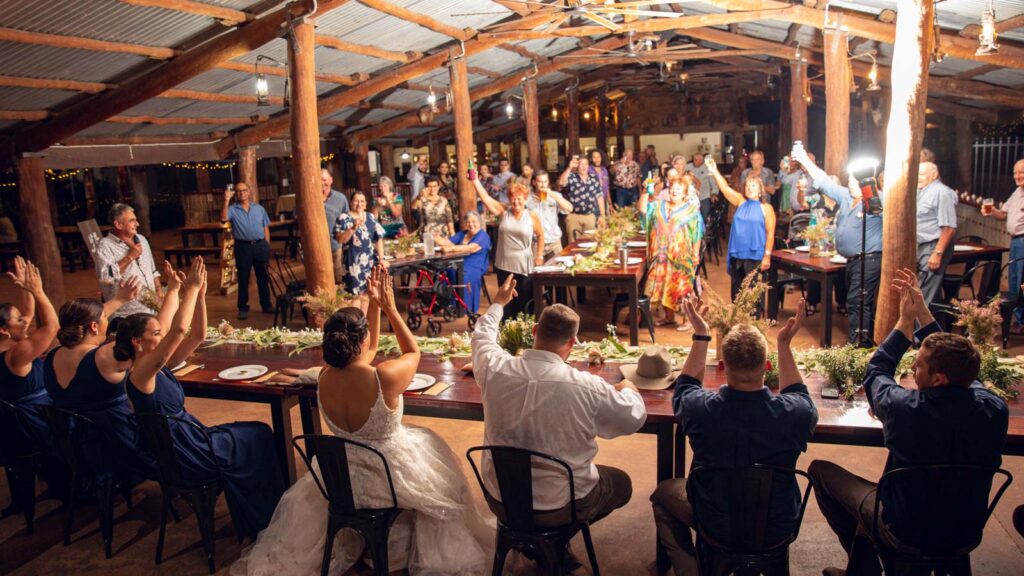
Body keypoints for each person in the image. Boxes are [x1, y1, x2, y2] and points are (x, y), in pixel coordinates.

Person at [234, 268, 490, 575]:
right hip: (387, 474)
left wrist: (373, 303)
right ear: (363, 337)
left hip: (342, 478)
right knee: (442, 478)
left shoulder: (326, 377)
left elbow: (366, 351)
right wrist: (391, 308)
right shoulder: (384, 378)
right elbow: (413, 351)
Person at [811, 269, 1008, 576]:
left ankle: (865, 568)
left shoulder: (906, 408)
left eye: (918, 367)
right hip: (963, 529)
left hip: (906, 528)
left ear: (939, 379)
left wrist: (904, 322)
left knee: (821, 473)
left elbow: (877, 371)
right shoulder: (993, 409)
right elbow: (965, 368)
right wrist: (923, 312)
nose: (913, 372)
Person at [116, 258, 284, 540]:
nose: (163, 335)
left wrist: (201, 296)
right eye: (156, 334)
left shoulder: (159, 365)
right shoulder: (141, 373)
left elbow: (196, 335)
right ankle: (262, 517)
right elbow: (178, 330)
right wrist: (190, 289)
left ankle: (263, 511)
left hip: (189, 438)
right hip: (188, 451)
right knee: (259, 434)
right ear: (137, 342)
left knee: (257, 433)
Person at [652, 298, 816, 576]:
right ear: (767, 366)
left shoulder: (700, 410)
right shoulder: (795, 415)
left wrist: (701, 335)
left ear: (722, 367)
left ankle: (693, 568)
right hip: (777, 525)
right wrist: (784, 344)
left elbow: (685, 387)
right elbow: (798, 394)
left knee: (663, 494)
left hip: (715, 523)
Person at [472, 276, 645, 529]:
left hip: (500, 500)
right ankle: (555, 541)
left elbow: (482, 337)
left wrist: (498, 302)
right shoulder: (585, 386)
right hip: (559, 506)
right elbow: (633, 418)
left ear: (534, 331)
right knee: (622, 483)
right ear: (572, 344)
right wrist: (628, 389)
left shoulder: (494, 367)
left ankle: (543, 546)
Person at [43, 279, 156, 484]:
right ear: (94, 326)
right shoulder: (105, 356)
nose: (108, 320)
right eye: (105, 317)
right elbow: (154, 343)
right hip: (115, 446)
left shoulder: (52, 351)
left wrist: (120, 299)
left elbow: (84, 319)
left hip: (71, 450)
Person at [793, 147, 882, 344]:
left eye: (852, 179)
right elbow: (824, 181)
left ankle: (859, 345)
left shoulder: (878, 201)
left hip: (869, 259)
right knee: (854, 302)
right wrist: (806, 161)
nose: (849, 182)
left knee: (859, 303)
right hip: (851, 261)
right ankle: (857, 341)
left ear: (865, 182)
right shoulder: (846, 197)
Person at [0, 257, 61, 514]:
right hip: (31, 424)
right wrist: (38, 291)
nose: (25, 322)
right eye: (18, 321)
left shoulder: (8, 346)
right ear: (4, 330)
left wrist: (26, 289)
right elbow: (51, 326)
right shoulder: (17, 355)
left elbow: (28, 313)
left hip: (10, 424)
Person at [707, 157, 776, 305]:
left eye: (754, 186)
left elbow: (770, 234)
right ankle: (738, 325)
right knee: (736, 294)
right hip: (737, 254)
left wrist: (767, 257)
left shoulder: (766, 208)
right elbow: (725, 188)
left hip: (755, 256)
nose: (750, 188)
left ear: (760, 189)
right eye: (748, 186)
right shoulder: (740, 201)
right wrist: (714, 171)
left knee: (753, 297)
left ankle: (754, 326)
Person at [639, 175, 704, 331]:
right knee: (664, 286)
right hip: (660, 255)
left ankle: (690, 320)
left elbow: (697, 233)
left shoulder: (692, 211)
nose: (675, 192)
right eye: (673, 188)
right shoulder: (658, 205)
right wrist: (645, 190)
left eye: (679, 190)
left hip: (681, 257)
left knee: (682, 288)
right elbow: (642, 209)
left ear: (685, 193)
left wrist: (695, 254)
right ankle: (669, 317)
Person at [474, 180, 543, 319]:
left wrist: (539, 256)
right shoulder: (503, 211)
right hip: (503, 265)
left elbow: (540, 234)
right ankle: (506, 334)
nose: (516, 202)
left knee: (524, 303)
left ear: (525, 199)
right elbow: (486, 198)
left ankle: (525, 334)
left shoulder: (531, 216)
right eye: (513, 198)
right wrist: (475, 180)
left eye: (519, 198)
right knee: (505, 303)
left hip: (524, 265)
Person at [95, 203, 162, 324]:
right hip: (125, 316)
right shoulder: (105, 246)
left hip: (152, 309)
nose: (137, 224)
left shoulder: (141, 239)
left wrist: (158, 289)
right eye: (132, 221)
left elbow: (152, 270)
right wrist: (130, 257)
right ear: (118, 224)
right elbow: (105, 277)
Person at [981, 158, 1024, 330]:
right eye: (1015, 172)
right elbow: (1002, 214)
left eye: (1021, 172)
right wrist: (991, 211)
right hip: (1015, 241)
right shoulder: (1017, 192)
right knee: (1014, 280)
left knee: (1021, 281)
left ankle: (1021, 322)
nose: (1017, 176)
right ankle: (1018, 319)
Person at [221, 182, 272, 321]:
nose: (241, 193)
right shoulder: (232, 209)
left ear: (249, 192)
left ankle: (266, 305)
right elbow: (224, 218)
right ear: (235, 194)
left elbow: (265, 227)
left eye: (244, 190)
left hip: (260, 245)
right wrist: (226, 200)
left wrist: (267, 244)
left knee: (263, 277)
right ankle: (242, 308)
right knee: (243, 278)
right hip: (243, 247)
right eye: (238, 191)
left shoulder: (259, 208)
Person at [915, 161, 958, 305]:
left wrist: (937, 253)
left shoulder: (942, 192)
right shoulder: (921, 191)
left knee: (923, 293)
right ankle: (935, 326)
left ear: (934, 174)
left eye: (921, 174)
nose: (918, 177)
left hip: (933, 246)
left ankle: (918, 327)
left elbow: (949, 227)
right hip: (921, 246)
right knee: (930, 294)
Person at [434, 211, 491, 314]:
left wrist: (451, 248)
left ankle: (463, 307)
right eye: (468, 222)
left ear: (479, 222)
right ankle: (448, 305)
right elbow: (448, 242)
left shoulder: (483, 236)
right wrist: (435, 237)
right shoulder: (463, 233)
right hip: (459, 262)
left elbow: (470, 248)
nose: (471, 224)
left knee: (462, 275)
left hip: (475, 264)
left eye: (474, 221)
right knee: (446, 272)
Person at [335, 192, 387, 301]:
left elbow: (379, 238)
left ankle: (365, 318)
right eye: (356, 201)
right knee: (356, 296)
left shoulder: (370, 217)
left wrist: (382, 259)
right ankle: (359, 318)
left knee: (369, 294)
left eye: (362, 201)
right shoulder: (344, 218)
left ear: (366, 204)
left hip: (369, 262)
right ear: (350, 202)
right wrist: (353, 228)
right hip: (353, 263)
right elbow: (340, 240)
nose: (359, 204)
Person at [558, 155, 607, 243]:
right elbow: (561, 183)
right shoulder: (572, 177)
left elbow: (599, 197)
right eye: (581, 164)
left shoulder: (594, 178)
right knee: (573, 244)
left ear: (588, 166)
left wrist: (602, 215)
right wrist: (569, 168)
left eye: (586, 164)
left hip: (589, 216)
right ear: (577, 166)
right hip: (574, 216)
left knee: (591, 243)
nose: (584, 167)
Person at [526, 170, 573, 259]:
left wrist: (551, 194)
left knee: (558, 270)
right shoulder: (528, 199)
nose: (543, 185)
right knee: (536, 271)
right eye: (540, 181)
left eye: (545, 181)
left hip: (554, 242)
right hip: (536, 242)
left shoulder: (555, 196)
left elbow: (569, 208)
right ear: (534, 182)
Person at [320, 169, 350, 284]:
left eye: (324, 179)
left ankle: (336, 301)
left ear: (331, 180)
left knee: (337, 277)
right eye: (319, 180)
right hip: (315, 245)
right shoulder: (311, 197)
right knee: (320, 279)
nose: (322, 182)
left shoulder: (340, 198)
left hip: (334, 244)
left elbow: (347, 219)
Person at [686, 153, 719, 220]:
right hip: (691, 196)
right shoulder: (687, 167)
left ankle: (705, 229)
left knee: (705, 216)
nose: (698, 161)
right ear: (693, 159)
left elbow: (713, 182)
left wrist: (714, 193)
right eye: (696, 160)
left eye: (700, 160)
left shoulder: (707, 168)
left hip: (704, 195)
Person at [590, 148, 612, 214]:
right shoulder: (588, 170)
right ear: (591, 158)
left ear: (601, 158)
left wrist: (610, 203)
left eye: (598, 157)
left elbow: (607, 187)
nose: (597, 159)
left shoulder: (604, 170)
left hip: (604, 201)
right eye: (594, 157)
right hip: (593, 202)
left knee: (603, 222)